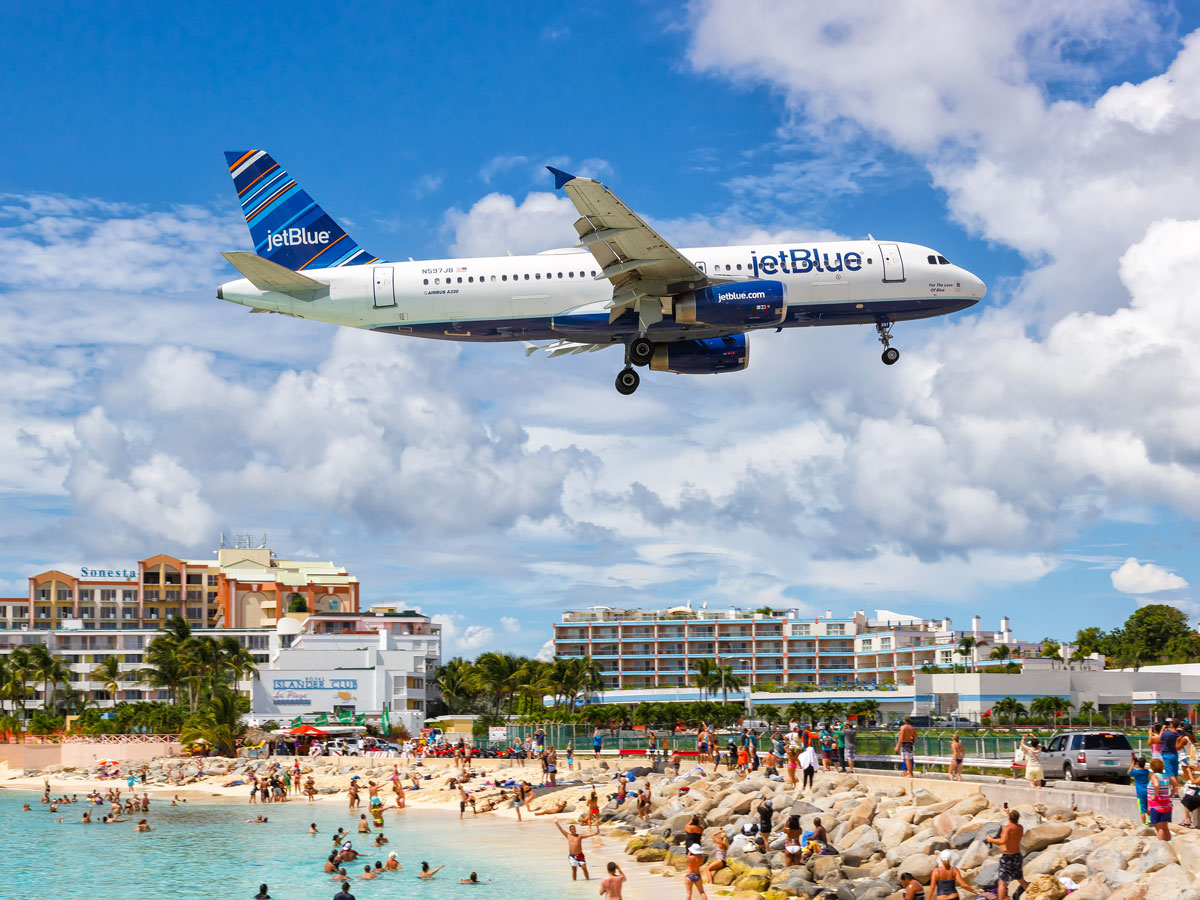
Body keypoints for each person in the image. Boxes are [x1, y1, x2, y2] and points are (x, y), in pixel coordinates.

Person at [985, 809, 1028, 900]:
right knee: (1020, 879)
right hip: (1017, 856)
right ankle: (1033, 894)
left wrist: (991, 840)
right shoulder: (1020, 827)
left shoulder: (1007, 828)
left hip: (1008, 858)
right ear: (1018, 818)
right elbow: (1013, 822)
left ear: (1009, 818)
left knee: (1002, 882)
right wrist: (1008, 813)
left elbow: (1002, 841)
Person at [1148, 758, 1174, 841]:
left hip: (1157, 805)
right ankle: (1168, 844)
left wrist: (1155, 795)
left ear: (1152, 767)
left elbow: (1156, 785)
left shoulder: (1154, 776)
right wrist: (1171, 794)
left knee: (1159, 828)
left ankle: (1162, 846)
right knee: (1165, 827)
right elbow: (1176, 785)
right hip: (1166, 804)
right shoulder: (1166, 776)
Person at [1130, 756, 1152, 825]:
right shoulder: (1147, 771)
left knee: (1142, 810)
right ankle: (1151, 820)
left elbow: (1129, 772)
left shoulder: (1136, 772)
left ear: (1137, 764)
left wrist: (1132, 764)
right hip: (1147, 792)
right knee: (1147, 807)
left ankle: (1143, 824)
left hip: (1140, 793)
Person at [1162, 719, 1181, 795]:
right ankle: (1175, 792)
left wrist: (1163, 728)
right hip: (1175, 754)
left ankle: (1175, 789)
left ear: (1172, 724)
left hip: (1167, 755)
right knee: (1175, 773)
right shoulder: (1178, 733)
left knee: (1170, 774)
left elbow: (1160, 737)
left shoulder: (1166, 734)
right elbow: (1180, 731)